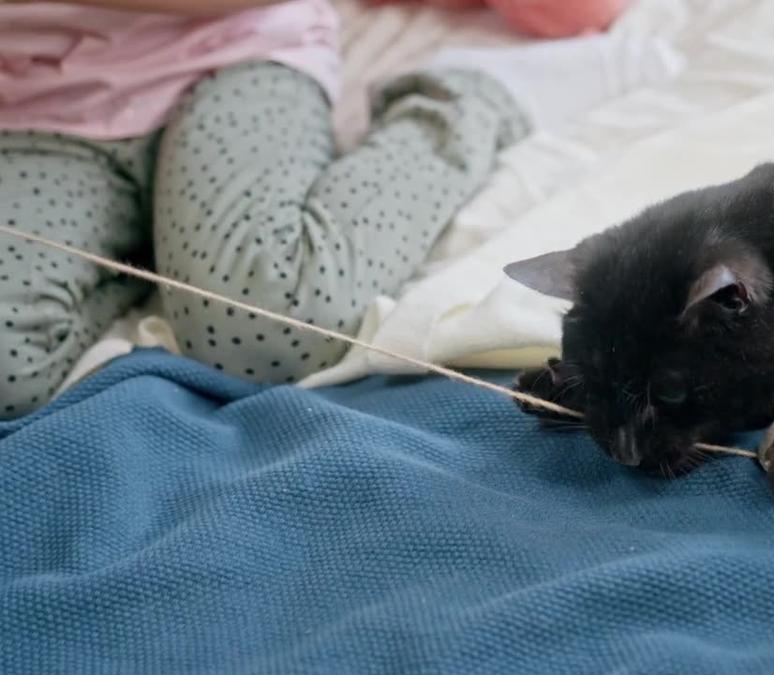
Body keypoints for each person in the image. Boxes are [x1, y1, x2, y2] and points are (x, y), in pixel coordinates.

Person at [0, 0, 681, 418]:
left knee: (267, 324)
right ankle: (157, 240)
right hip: (34, 113)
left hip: (228, 54)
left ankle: (464, 98)